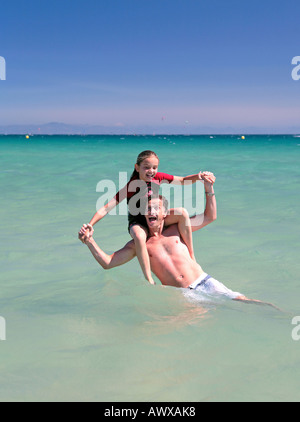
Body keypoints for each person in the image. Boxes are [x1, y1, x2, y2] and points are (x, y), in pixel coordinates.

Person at [79, 172, 277, 308]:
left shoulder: (177, 230)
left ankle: (280, 314)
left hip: (204, 282)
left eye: (156, 208)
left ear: (165, 213)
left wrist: (208, 188)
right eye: (147, 209)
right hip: (184, 296)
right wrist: (90, 241)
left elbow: (210, 217)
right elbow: (108, 263)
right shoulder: (139, 245)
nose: (152, 212)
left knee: (242, 301)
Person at [80, 150, 215, 286]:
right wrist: (91, 224)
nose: (151, 171)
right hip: (138, 222)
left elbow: (183, 180)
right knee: (139, 237)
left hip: (154, 215)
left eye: (154, 167)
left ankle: (192, 256)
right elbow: (106, 208)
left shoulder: (159, 178)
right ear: (137, 167)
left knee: (182, 212)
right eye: (147, 167)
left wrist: (199, 176)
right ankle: (148, 277)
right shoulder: (131, 186)